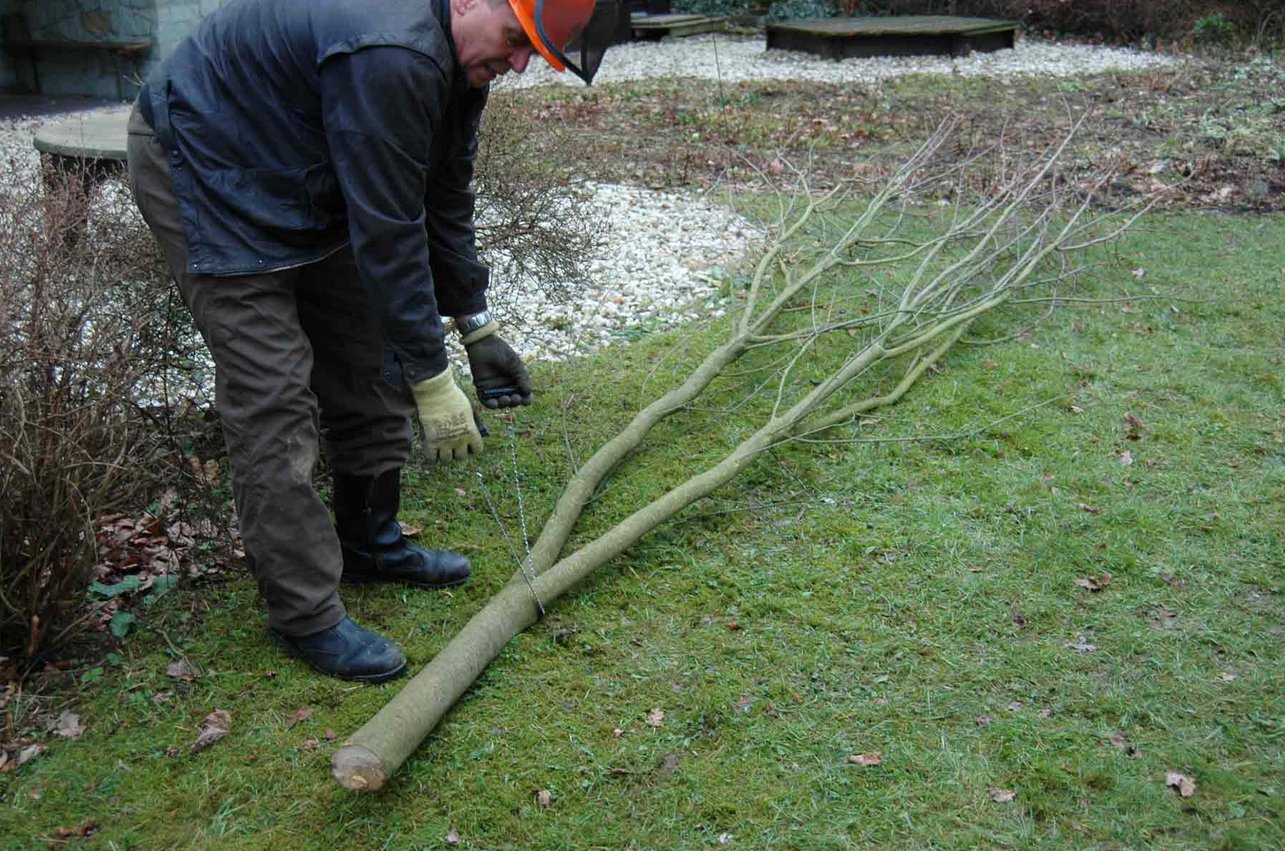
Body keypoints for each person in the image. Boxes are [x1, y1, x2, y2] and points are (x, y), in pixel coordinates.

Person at [126, 0, 615, 682]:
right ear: (472, 0)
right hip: (208, 162)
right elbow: (387, 228)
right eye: (514, 40)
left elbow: (441, 194)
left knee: (364, 350)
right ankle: (305, 615)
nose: (519, 64)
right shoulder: (392, 50)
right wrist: (433, 376)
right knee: (273, 397)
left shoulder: (456, 62)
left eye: (532, 52)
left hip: (298, 159)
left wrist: (475, 323)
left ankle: (369, 542)